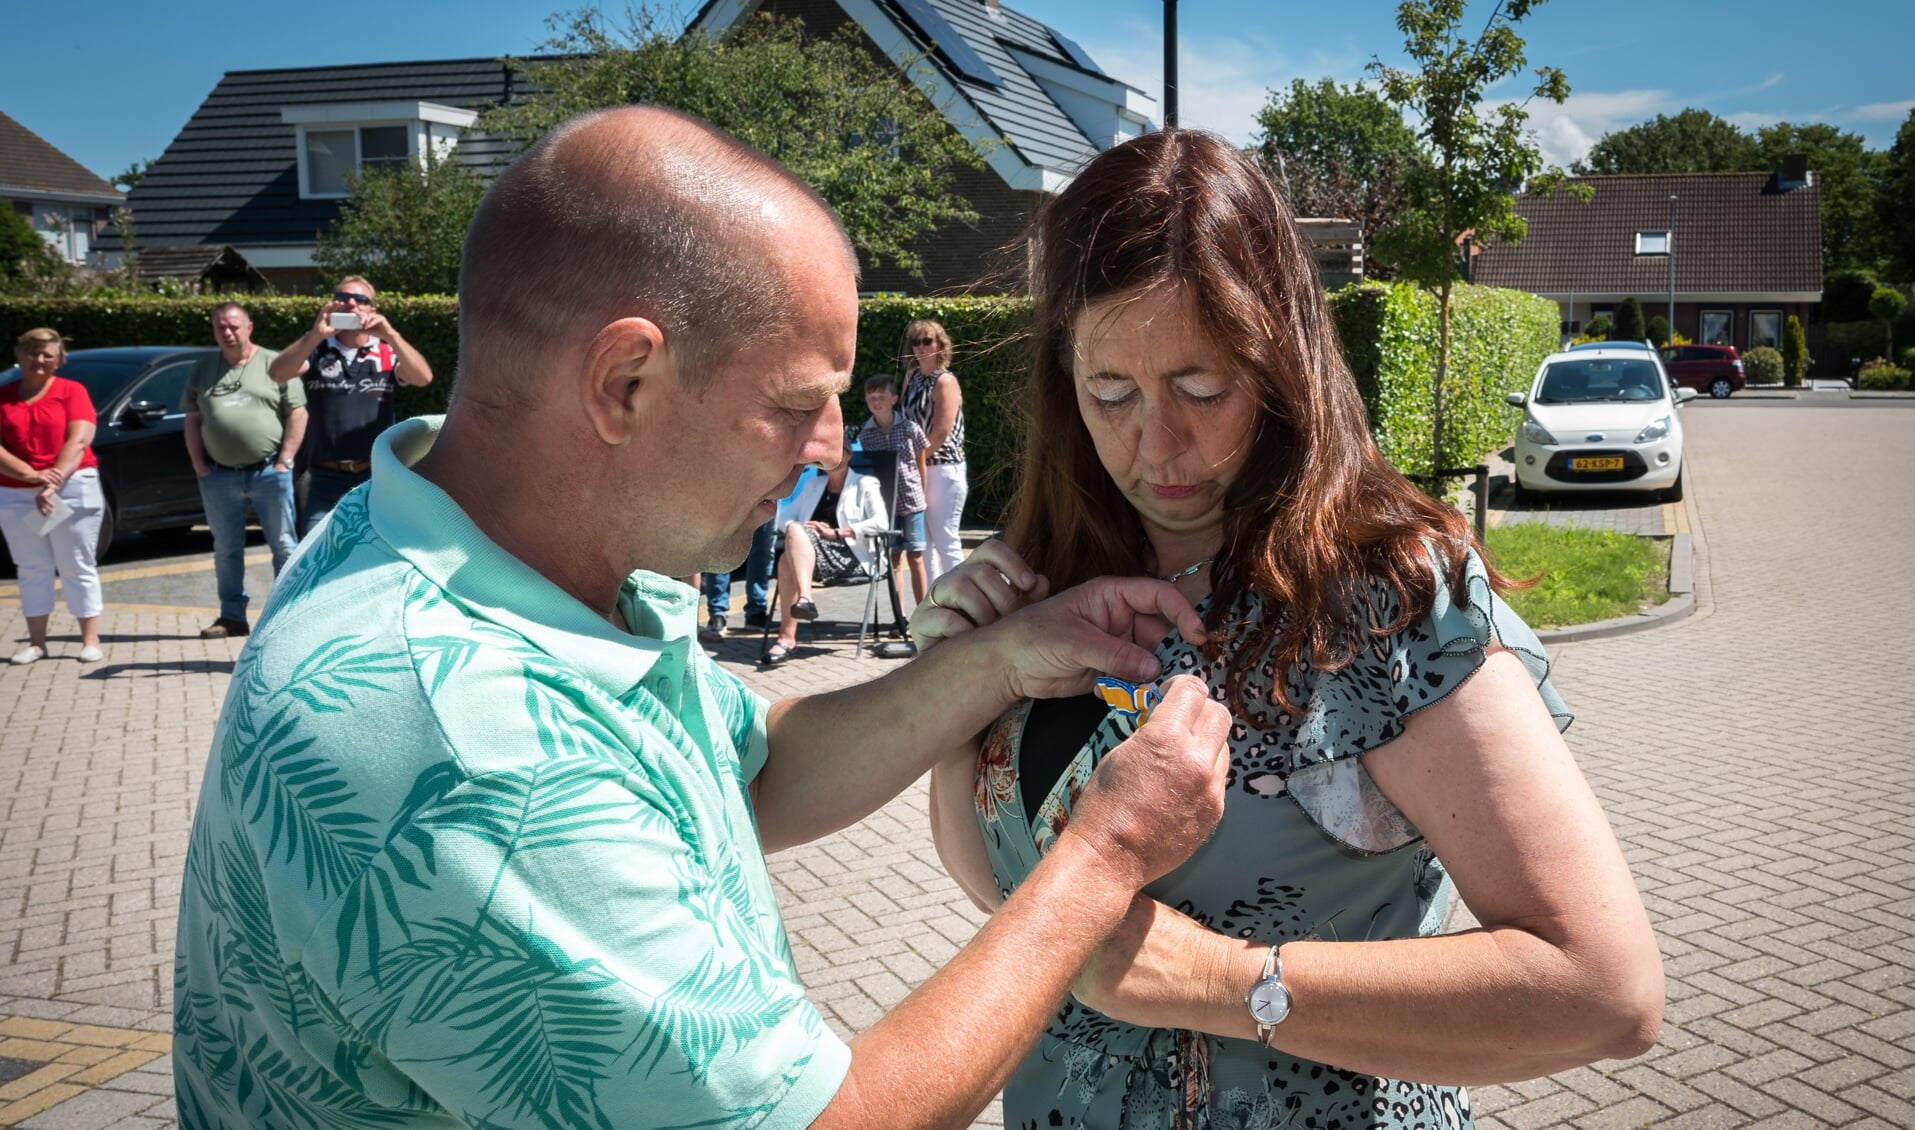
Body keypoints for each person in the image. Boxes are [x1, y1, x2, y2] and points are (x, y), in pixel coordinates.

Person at [173, 105, 1234, 1130]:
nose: (827, 445)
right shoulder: (474, 742)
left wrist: (1000, 657)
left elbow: (750, 765)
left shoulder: (480, 531)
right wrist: (1106, 850)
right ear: (624, 382)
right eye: (793, 402)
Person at [917, 129, 1665, 1129]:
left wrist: (1221, 979)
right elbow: (1000, 880)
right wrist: (955, 692)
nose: (1155, 442)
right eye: (1111, 391)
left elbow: (1604, 988)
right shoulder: (1056, 583)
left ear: (1279, 365)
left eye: (1200, 386)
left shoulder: (1379, 598)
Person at [267, 274, 433, 534]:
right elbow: (277, 373)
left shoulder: (386, 351)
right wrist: (314, 335)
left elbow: (422, 378)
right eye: (343, 298)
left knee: (379, 549)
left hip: (376, 476)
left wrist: (391, 335)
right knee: (318, 552)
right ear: (333, 305)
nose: (351, 304)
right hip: (325, 478)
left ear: (372, 309)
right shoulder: (318, 349)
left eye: (360, 299)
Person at [182, 302, 307, 639]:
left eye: (234, 326)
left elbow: (298, 412)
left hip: (270, 471)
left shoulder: (274, 363)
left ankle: (287, 616)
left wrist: (286, 460)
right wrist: (198, 464)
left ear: (249, 327)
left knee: (283, 545)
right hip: (219, 475)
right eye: (221, 326)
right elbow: (192, 419)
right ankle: (232, 617)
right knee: (225, 548)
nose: (228, 332)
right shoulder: (203, 368)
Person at [0, 328, 106, 665]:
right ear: (19, 355)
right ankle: (36, 643)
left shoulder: (72, 391)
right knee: (32, 568)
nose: (40, 360)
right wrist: (30, 476)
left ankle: (90, 640)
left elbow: (79, 440)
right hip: (16, 491)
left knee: (76, 563)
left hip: (71, 486)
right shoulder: (3, 396)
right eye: (32, 353)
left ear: (59, 359)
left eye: (48, 354)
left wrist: (51, 483)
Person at [761, 459, 887, 664]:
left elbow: (881, 523)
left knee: (786, 559)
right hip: (812, 557)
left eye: (839, 455)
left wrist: (836, 533)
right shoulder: (813, 485)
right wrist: (809, 528)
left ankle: (787, 637)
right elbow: (784, 517)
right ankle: (804, 602)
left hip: (851, 557)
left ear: (847, 455)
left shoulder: (865, 483)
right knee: (791, 540)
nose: (833, 461)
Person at [900, 318, 967, 581]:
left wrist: (915, 460)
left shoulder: (945, 381)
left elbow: (940, 432)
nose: (921, 347)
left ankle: (963, 607)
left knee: (945, 541)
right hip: (917, 468)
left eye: (927, 340)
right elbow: (905, 422)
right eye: (916, 342)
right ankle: (933, 607)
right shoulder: (911, 377)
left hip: (943, 468)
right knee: (923, 543)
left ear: (940, 345)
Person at [856, 373, 930, 608]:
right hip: (885, 504)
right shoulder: (865, 434)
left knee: (916, 556)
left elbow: (921, 461)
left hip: (911, 500)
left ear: (894, 398)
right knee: (893, 559)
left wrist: (923, 492)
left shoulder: (909, 428)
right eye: (871, 397)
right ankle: (900, 616)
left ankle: (923, 611)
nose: (875, 402)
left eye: (881, 396)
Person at [697, 520, 774, 642]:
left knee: (763, 549)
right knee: (721, 544)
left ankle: (756, 615)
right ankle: (717, 614)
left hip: (766, 501)